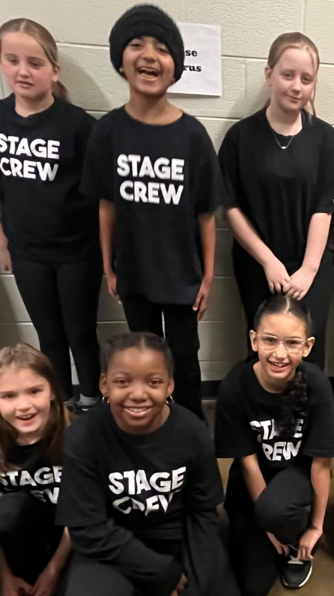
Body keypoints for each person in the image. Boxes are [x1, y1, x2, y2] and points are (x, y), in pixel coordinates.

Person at [83, 4, 220, 420]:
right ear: (120, 60)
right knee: (143, 356)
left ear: (175, 66)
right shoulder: (107, 132)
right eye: (137, 44)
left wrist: (208, 274)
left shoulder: (193, 136)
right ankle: (149, 425)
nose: (149, 55)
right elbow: (106, 205)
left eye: (162, 48)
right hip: (135, 271)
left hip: (181, 274)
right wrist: (109, 265)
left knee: (184, 357)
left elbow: (206, 215)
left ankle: (191, 430)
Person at [0, 19, 101, 413]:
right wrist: (0, 241)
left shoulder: (79, 126)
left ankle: (90, 398)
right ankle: (60, 398)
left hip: (77, 250)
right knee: (49, 333)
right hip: (26, 250)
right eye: (13, 60)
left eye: (35, 63)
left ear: (53, 70)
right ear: (1, 63)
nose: (23, 71)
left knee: (80, 330)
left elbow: (98, 197)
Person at [56, 332, 241, 596]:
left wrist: (196, 586)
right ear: (104, 384)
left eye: (153, 382)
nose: (139, 394)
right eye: (122, 381)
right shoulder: (83, 436)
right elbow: (86, 529)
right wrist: (161, 571)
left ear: (169, 386)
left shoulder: (193, 432)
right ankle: (134, 592)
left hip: (178, 536)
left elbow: (203, 514)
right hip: (113, 540)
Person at [219, 32, 334, 368]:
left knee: (306, 353)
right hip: (258, 265)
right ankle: (263, 420)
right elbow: (230, 207)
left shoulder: (325, 137)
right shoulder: (240, 137)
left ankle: (306, 419)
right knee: (264, 350)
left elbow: (326, 206)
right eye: (287, 75)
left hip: (310, 265)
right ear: (269, 75)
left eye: (306, 79)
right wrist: (268, 261)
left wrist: (309, 268)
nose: (296, 86)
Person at [214, 296, 334, 596]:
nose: (280, 353)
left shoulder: (317, 385)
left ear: (307, 346)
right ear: (254, 340)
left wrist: (316, 527)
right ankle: (275, 527)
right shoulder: (235, 385)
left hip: (296, 478)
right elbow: (248, 461)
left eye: (292, 343)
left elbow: (321, 465)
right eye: (270, 340)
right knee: (252, 590)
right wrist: (267, 527)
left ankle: (296, 537)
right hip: (253, 485)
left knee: (277, 509)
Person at [0, 344, 72, 596]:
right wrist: (4, 576)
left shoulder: (77, 437)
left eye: (35, 391)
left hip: (74, 537)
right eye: (9, 396)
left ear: (51, 390)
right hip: (27, 536)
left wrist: (53, 569)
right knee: (7, 511)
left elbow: (87, 512)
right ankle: (21, 578)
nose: (24, 406)